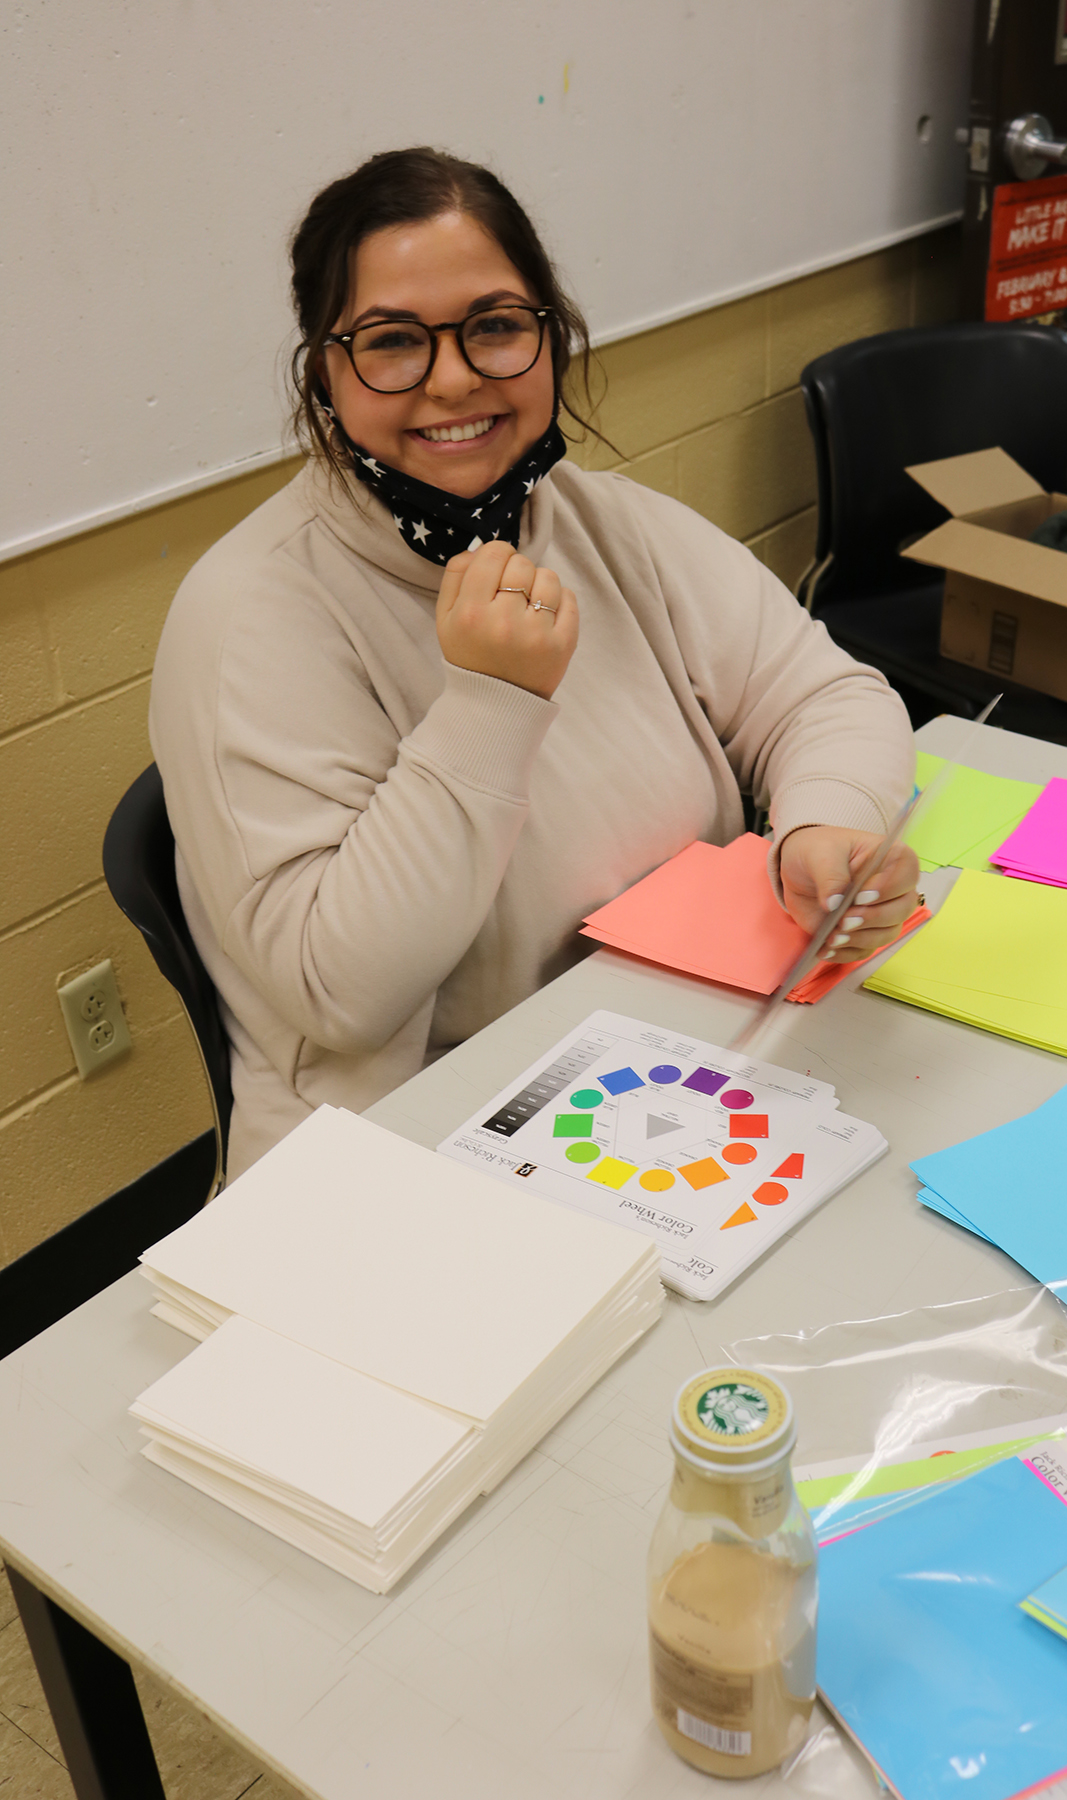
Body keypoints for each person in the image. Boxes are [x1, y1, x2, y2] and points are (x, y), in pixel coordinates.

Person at [150, 148, 917, 1180]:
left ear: (551, 336)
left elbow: (824, 692)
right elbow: (339, 992)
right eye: (392, 342)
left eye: (497, 327)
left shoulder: (597, 521)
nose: (456, 378)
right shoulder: (249, 613)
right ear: (325, 374)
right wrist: (491, 702)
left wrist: (824, 828)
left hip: (675, 1066)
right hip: (416, 1147)